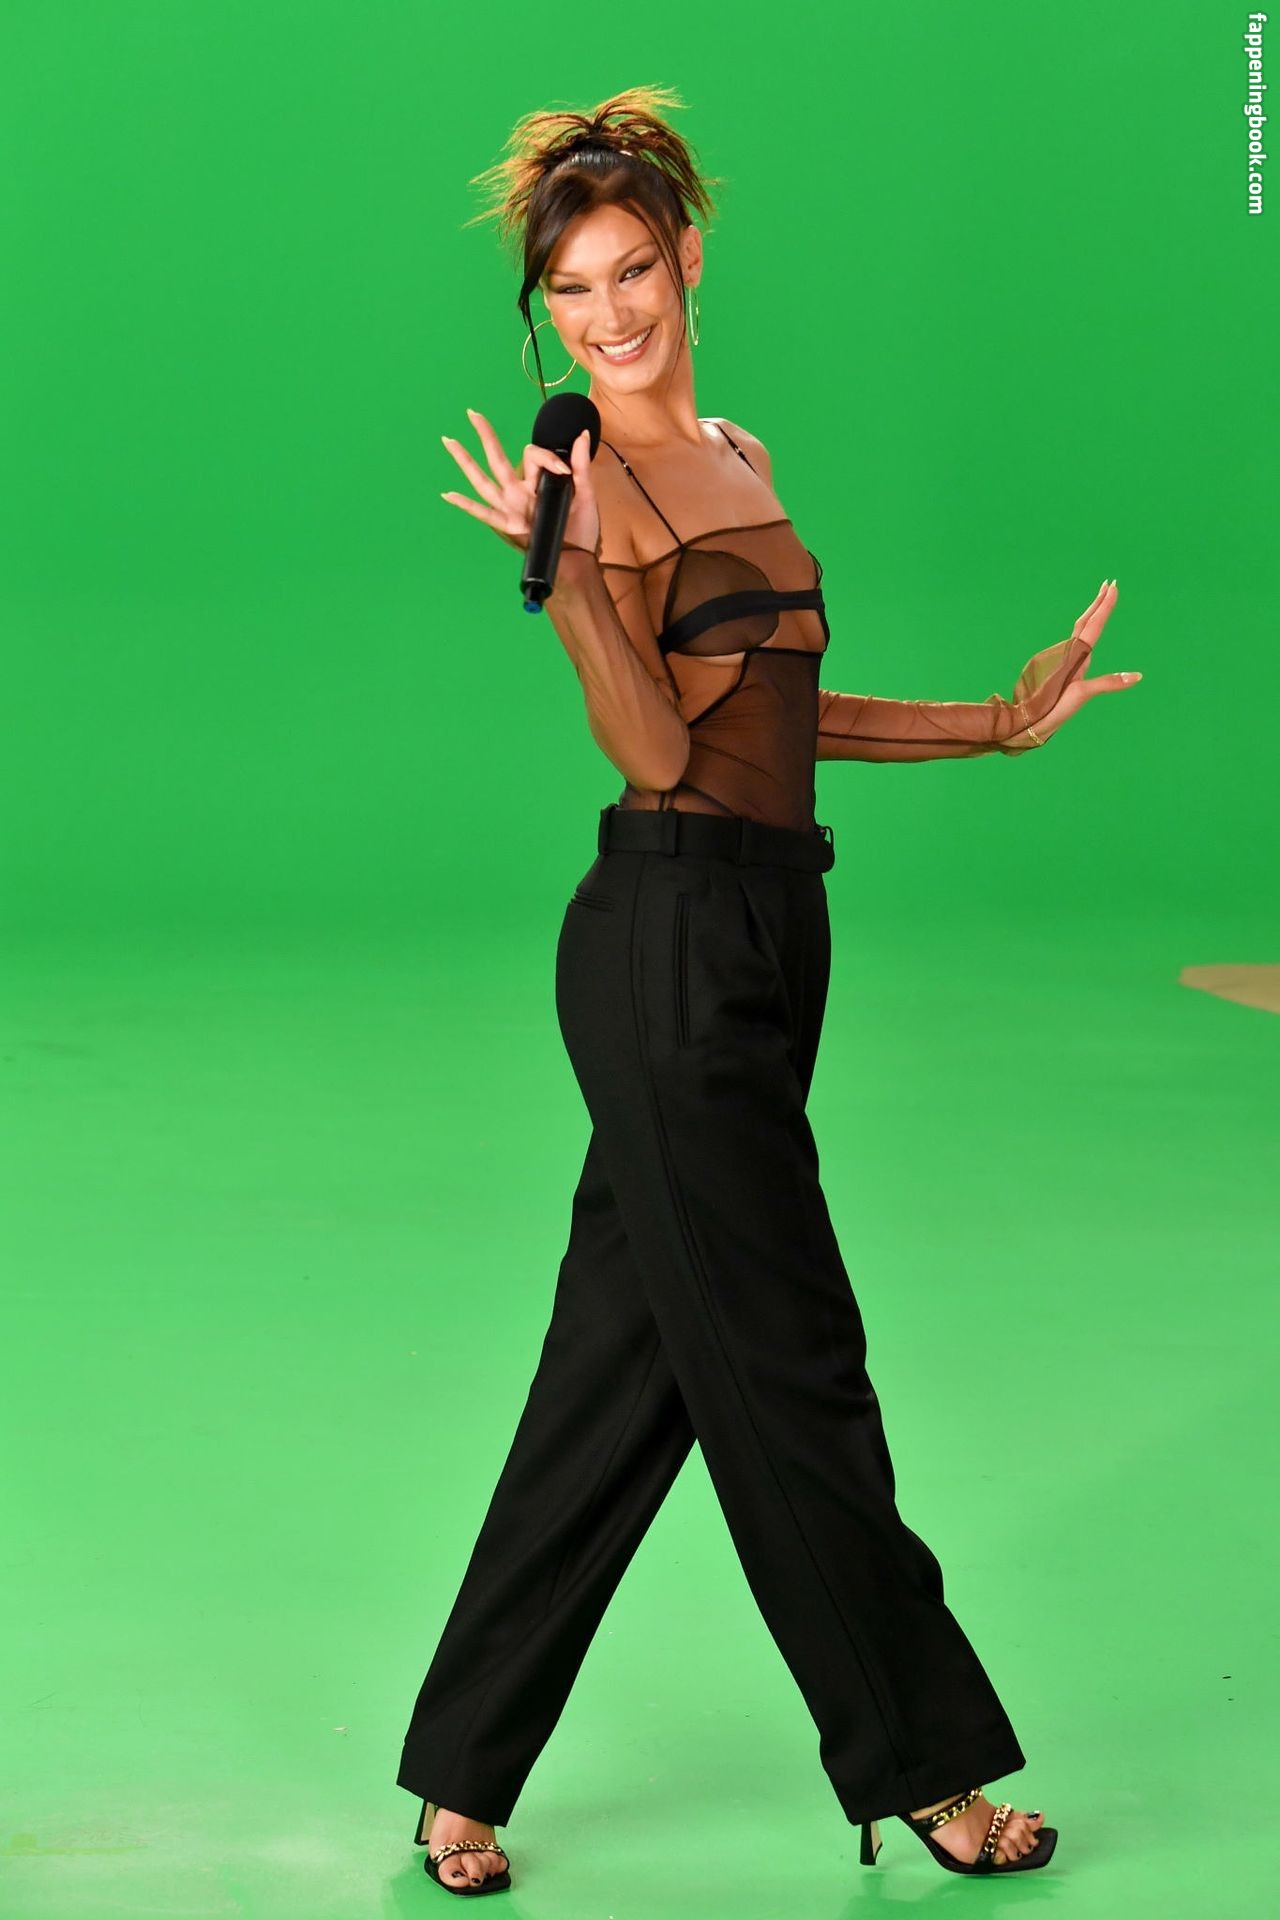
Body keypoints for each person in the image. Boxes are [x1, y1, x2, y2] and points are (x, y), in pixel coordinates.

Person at [399, 85, 1139, 1896]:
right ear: (546, 313)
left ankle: (461, 1773)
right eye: (571, 291)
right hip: (662, 948)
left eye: (631, 271)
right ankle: (928, 1768)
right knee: (797, 1368)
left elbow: (779, 727)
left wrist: (995, 723)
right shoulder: (595, 495)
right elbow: (657, 752)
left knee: (623, 1372)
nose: (607, 315)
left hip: (765, 931)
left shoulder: (738, 453)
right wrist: (568, 577)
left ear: (689, 260)